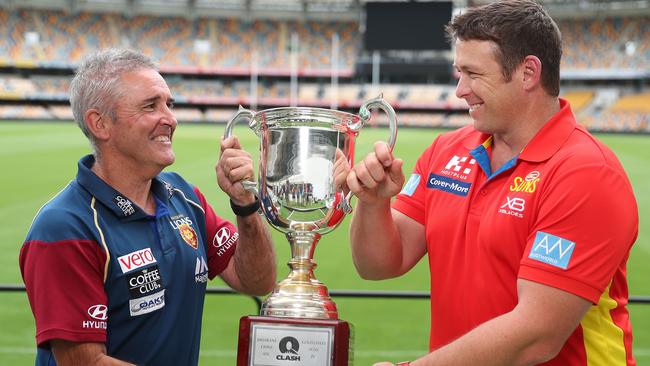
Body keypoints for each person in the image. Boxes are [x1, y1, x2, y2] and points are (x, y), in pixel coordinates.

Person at [334, 1, 638, 365]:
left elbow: (537, 335)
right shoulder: (446, 151)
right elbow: (380, 264)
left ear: (528, 73)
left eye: (473, 74)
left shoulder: (587, 172)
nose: (460, 89)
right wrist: (372, 203)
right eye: (458, 73)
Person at [19, 48, 277, 366]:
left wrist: (245, 205)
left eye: (169, 104)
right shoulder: (64, 226)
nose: (170, 119)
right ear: (100, 124)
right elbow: (84, 362)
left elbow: (257, 281)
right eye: (150, 106)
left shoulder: (185, 197)